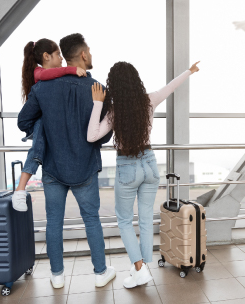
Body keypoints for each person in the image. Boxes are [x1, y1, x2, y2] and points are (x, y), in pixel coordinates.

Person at [87, 60, 200, 288]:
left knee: (125, 220)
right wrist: (189, 70)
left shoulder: (114, 111)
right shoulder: (149, 100)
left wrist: (97, 103)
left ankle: (139, 269)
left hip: (127, 167)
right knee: (146, 219)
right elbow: (171, 86)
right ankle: (142, 267)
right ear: (135, 80)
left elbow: (92, 136)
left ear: (114, 85)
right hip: (149, 163)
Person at [18, 33, 116, 289]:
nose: (91, 55)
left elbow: (23, 122)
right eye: (90, 51)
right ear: (83, 55)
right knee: (91, 220)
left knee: (54, 223)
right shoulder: (99, 90)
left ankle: (57, 276)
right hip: (85, 168)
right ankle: (100, 273)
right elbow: (104, 138)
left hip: (53, 168)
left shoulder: (42, 89)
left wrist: (44, 126)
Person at [13, 38, 87, 212]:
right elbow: (47, 75)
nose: (61, 59)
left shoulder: (49, 78)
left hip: (44, 126)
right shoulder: (39, 73)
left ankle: (21, 188)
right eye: (58, 55)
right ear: (46, 56)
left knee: (41, 136)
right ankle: (20, 189)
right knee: (41, 128)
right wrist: (72, 69)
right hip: (34, 123)